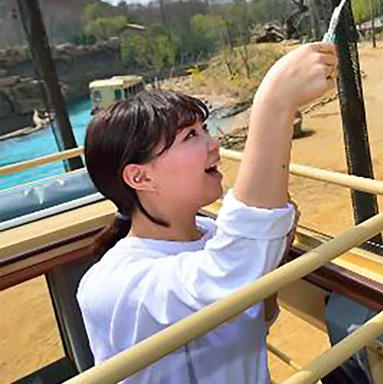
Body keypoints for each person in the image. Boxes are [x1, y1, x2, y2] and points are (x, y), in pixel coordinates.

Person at [76, 42, 338, 384]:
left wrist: (269, 256)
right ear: (140, 177)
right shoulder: (111, 286)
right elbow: (225, 272)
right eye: (189, 136)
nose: (214, 144)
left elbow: (256, 313)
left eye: (204, 129)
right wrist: (274, 102)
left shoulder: (211, 234)